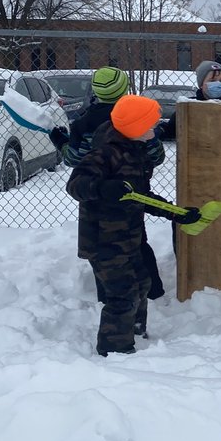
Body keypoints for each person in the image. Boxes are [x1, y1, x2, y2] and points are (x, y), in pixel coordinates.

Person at [66, 95, 200, 357]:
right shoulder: (105, 154)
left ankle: (136, 332)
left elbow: (142, 197)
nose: (155, 128)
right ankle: (115, 349)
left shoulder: (135, 152)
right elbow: (75, 185)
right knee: (123, 294)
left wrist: (178, 214)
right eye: (151, 124)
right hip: (103, 240)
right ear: (135, 127)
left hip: (128, 237)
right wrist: (104, 188)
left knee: (141, 283)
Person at [50, 66, 166, 301]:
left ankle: (108, 294)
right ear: (123, 88)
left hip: (98, 200)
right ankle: (154, 291)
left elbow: (74, 159)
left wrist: (61, 141)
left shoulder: (83, 122)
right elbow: (156, 155)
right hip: (133, 189)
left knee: (104, 251)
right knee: (138, 241)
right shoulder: (135, 116)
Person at [156, 60, 221, 140]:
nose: (218, 84)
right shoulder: (188, 106)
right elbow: (171, 130)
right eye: (212, 80)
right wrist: (159, 130)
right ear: (201, 84)